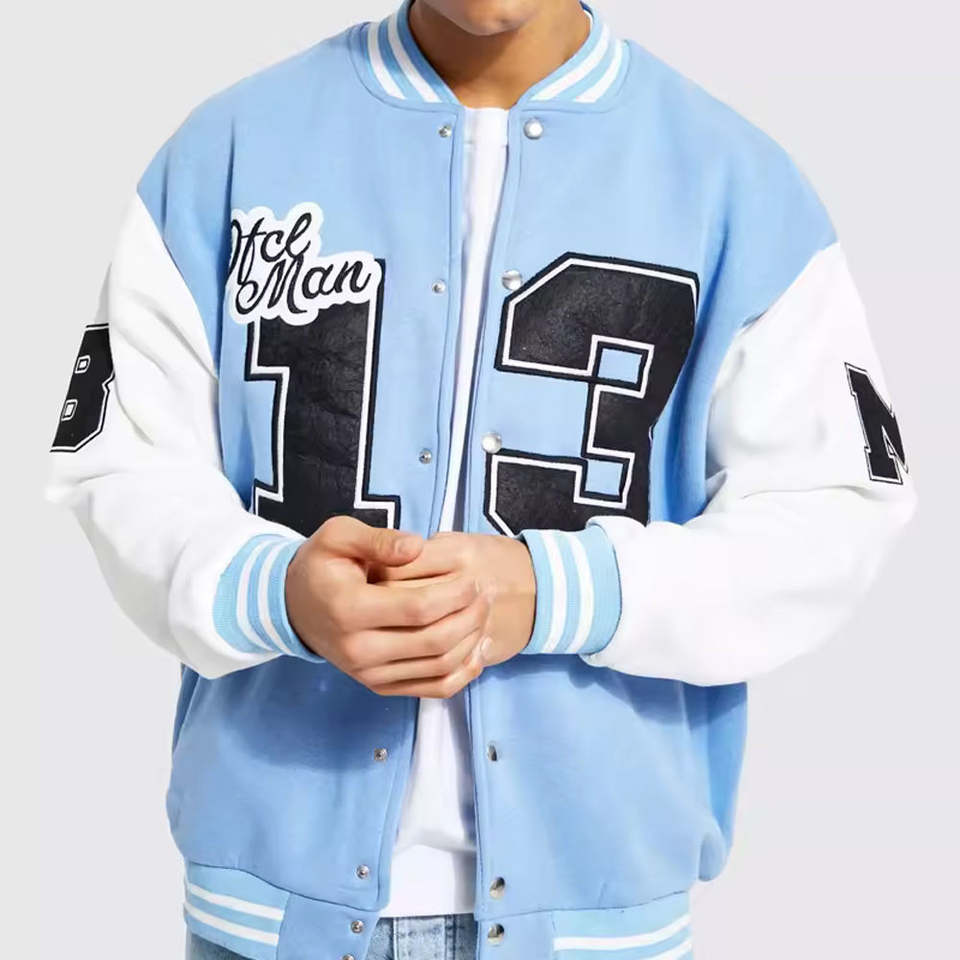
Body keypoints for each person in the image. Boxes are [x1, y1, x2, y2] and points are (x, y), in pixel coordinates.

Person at [46, 2, 917, 958]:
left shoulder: (736, 182)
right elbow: (122, 461)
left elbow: (833, 510)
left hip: (597, 920)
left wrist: (561, 591)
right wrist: (276, 591)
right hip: (268, 916)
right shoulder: (228, 147)